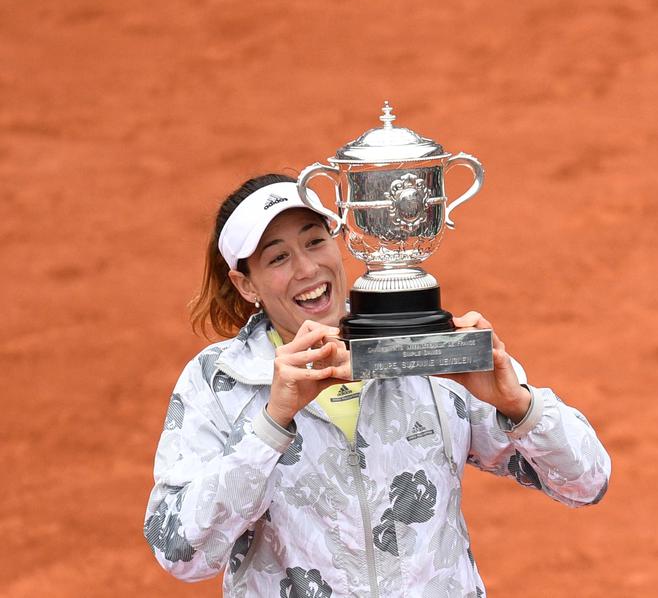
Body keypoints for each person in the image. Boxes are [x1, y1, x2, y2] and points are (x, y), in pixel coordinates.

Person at [144, 173, 611, 597]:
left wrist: (518, 404)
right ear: (246, 285)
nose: (306, 269)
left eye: (315, 241)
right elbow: (180, 552)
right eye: (278, 258)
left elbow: (586, 481)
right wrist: (270, 426)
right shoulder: (220, 382)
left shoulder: (421, 350)